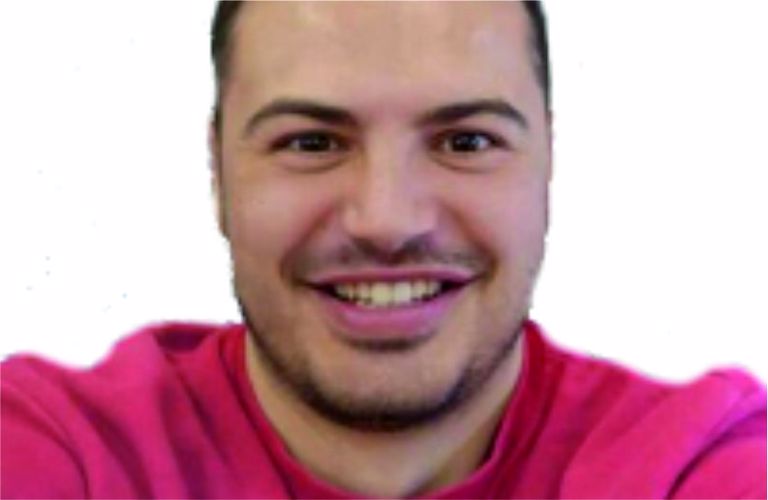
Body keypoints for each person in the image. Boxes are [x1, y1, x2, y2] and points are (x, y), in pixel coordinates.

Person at [1, 2, 765, 498]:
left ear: (548, 162)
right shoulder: (65, 448)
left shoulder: (690, 464)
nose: (388, 221)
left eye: (467, 142)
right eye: (311, 143)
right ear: (217, 169)